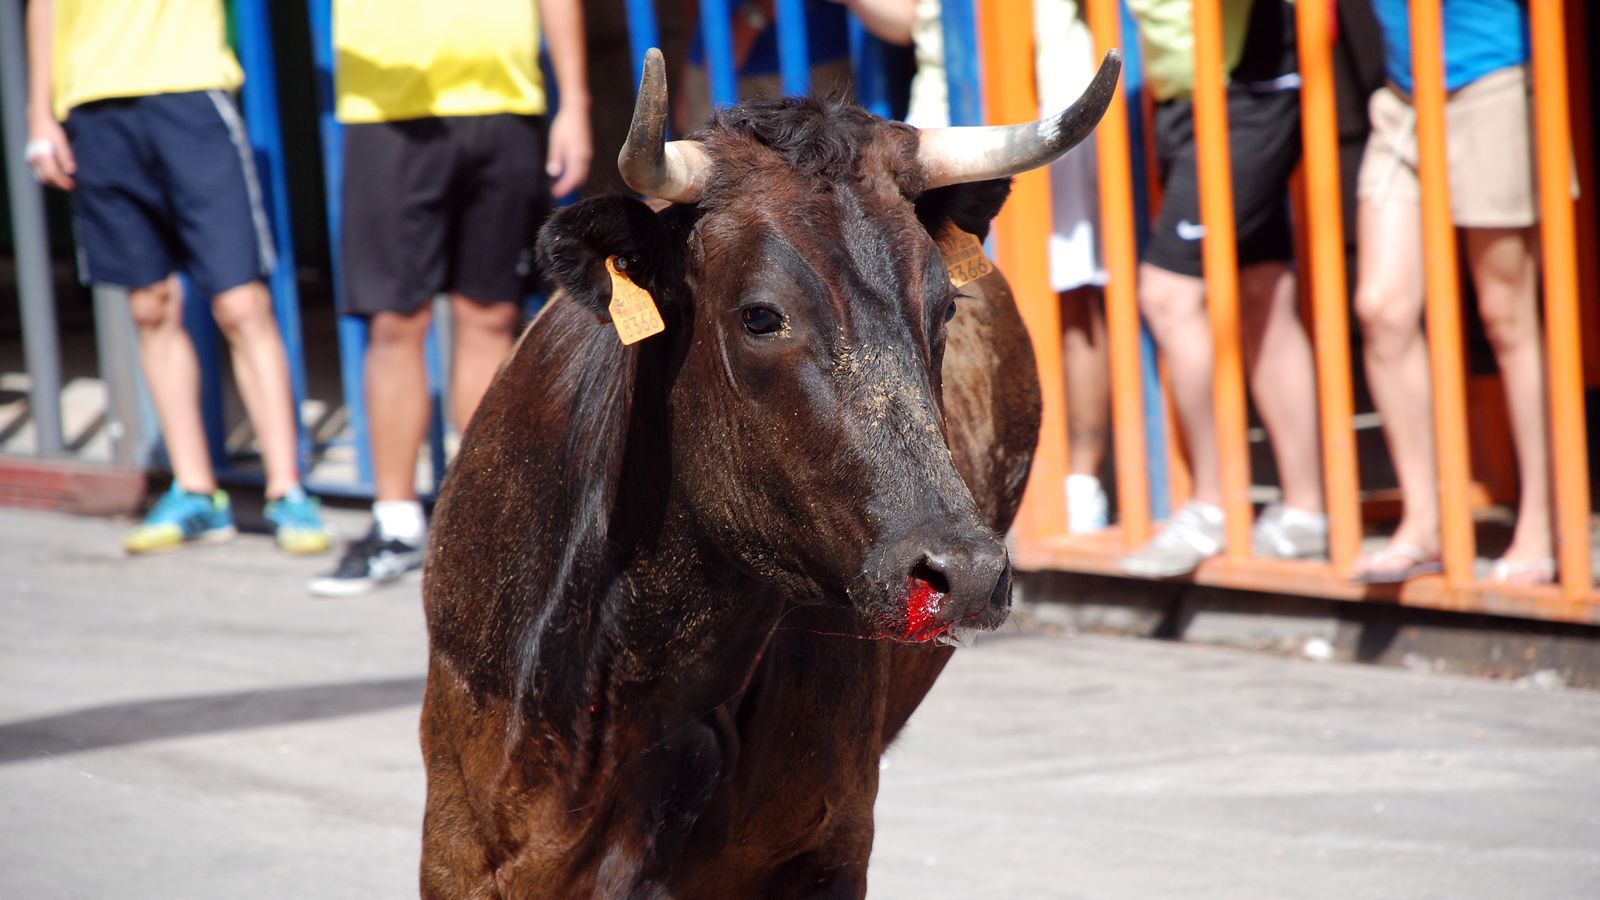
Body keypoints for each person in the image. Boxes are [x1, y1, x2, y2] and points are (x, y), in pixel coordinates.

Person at [25, 0, 332, 556]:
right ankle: (195, 492)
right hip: (92, 104)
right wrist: (39, 114)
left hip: (190, 89)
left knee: (241, 304)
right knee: (149, 305)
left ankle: (287, 488)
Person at [310, 0, 591, 596]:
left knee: (490, 314)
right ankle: (395, 522)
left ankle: (492, 519)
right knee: (393, 322)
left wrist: (575, 102)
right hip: (387, 108)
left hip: (505, 100)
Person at [846, 0, 1113, 533]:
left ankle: (1080, 481)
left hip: (1049, 93)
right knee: (922, 305)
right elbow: (911, 19)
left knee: (1070, 293)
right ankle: (940, 470)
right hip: (943, 114)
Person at [1118, 0, 1328, 577]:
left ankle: (1212, 505)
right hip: (1187, 93)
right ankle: (1306, 510)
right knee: (1265, 291)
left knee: (1169, 295)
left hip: (1245, 90)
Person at [1351, 0, 1551, 584]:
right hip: (1403, 94)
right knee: (1382, 308)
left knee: (1506, 314)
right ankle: (1425, 519)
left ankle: (1542, 519)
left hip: (1489, 76)